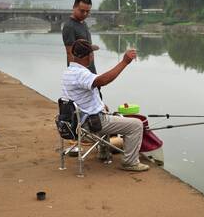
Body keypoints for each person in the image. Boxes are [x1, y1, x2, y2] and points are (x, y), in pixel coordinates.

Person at [61, 39, 149, 172]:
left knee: (108, 113)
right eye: (92, 53)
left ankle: (103, 153)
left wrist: (101, 105)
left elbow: (82, 96)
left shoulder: (69, 72)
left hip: (75, 121)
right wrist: (124, 62)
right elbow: (102, 80)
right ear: (89, 56)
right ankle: (130, 162)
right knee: (136, 125)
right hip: (91, 124)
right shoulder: (81, 73)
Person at [62, 0, 97, 74]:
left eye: (87, 11)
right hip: (79, 75)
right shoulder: (69, 26)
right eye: (82, 11)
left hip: (90, 72)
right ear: (74, 7)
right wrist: (73, 76)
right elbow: (70, 53)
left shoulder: (83, 23)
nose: (85, 14)